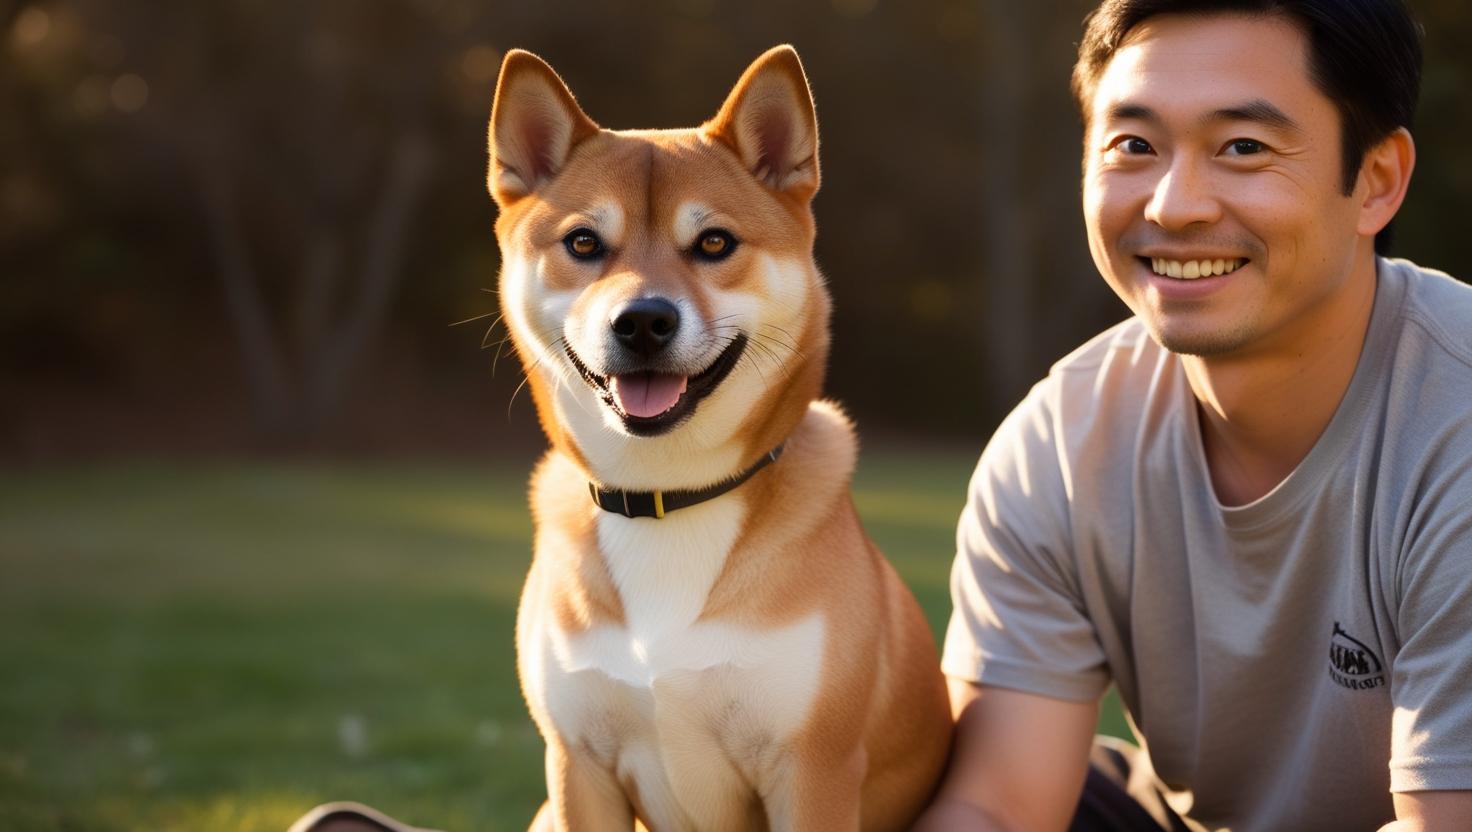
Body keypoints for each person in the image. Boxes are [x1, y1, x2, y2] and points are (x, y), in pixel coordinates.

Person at [915, 1, 1472, 831]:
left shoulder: (1451, 421)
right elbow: (996, 805)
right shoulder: (1063, 443)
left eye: (1243, 147)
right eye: (1134, 145)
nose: (1175, 207)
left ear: (1377, 181)